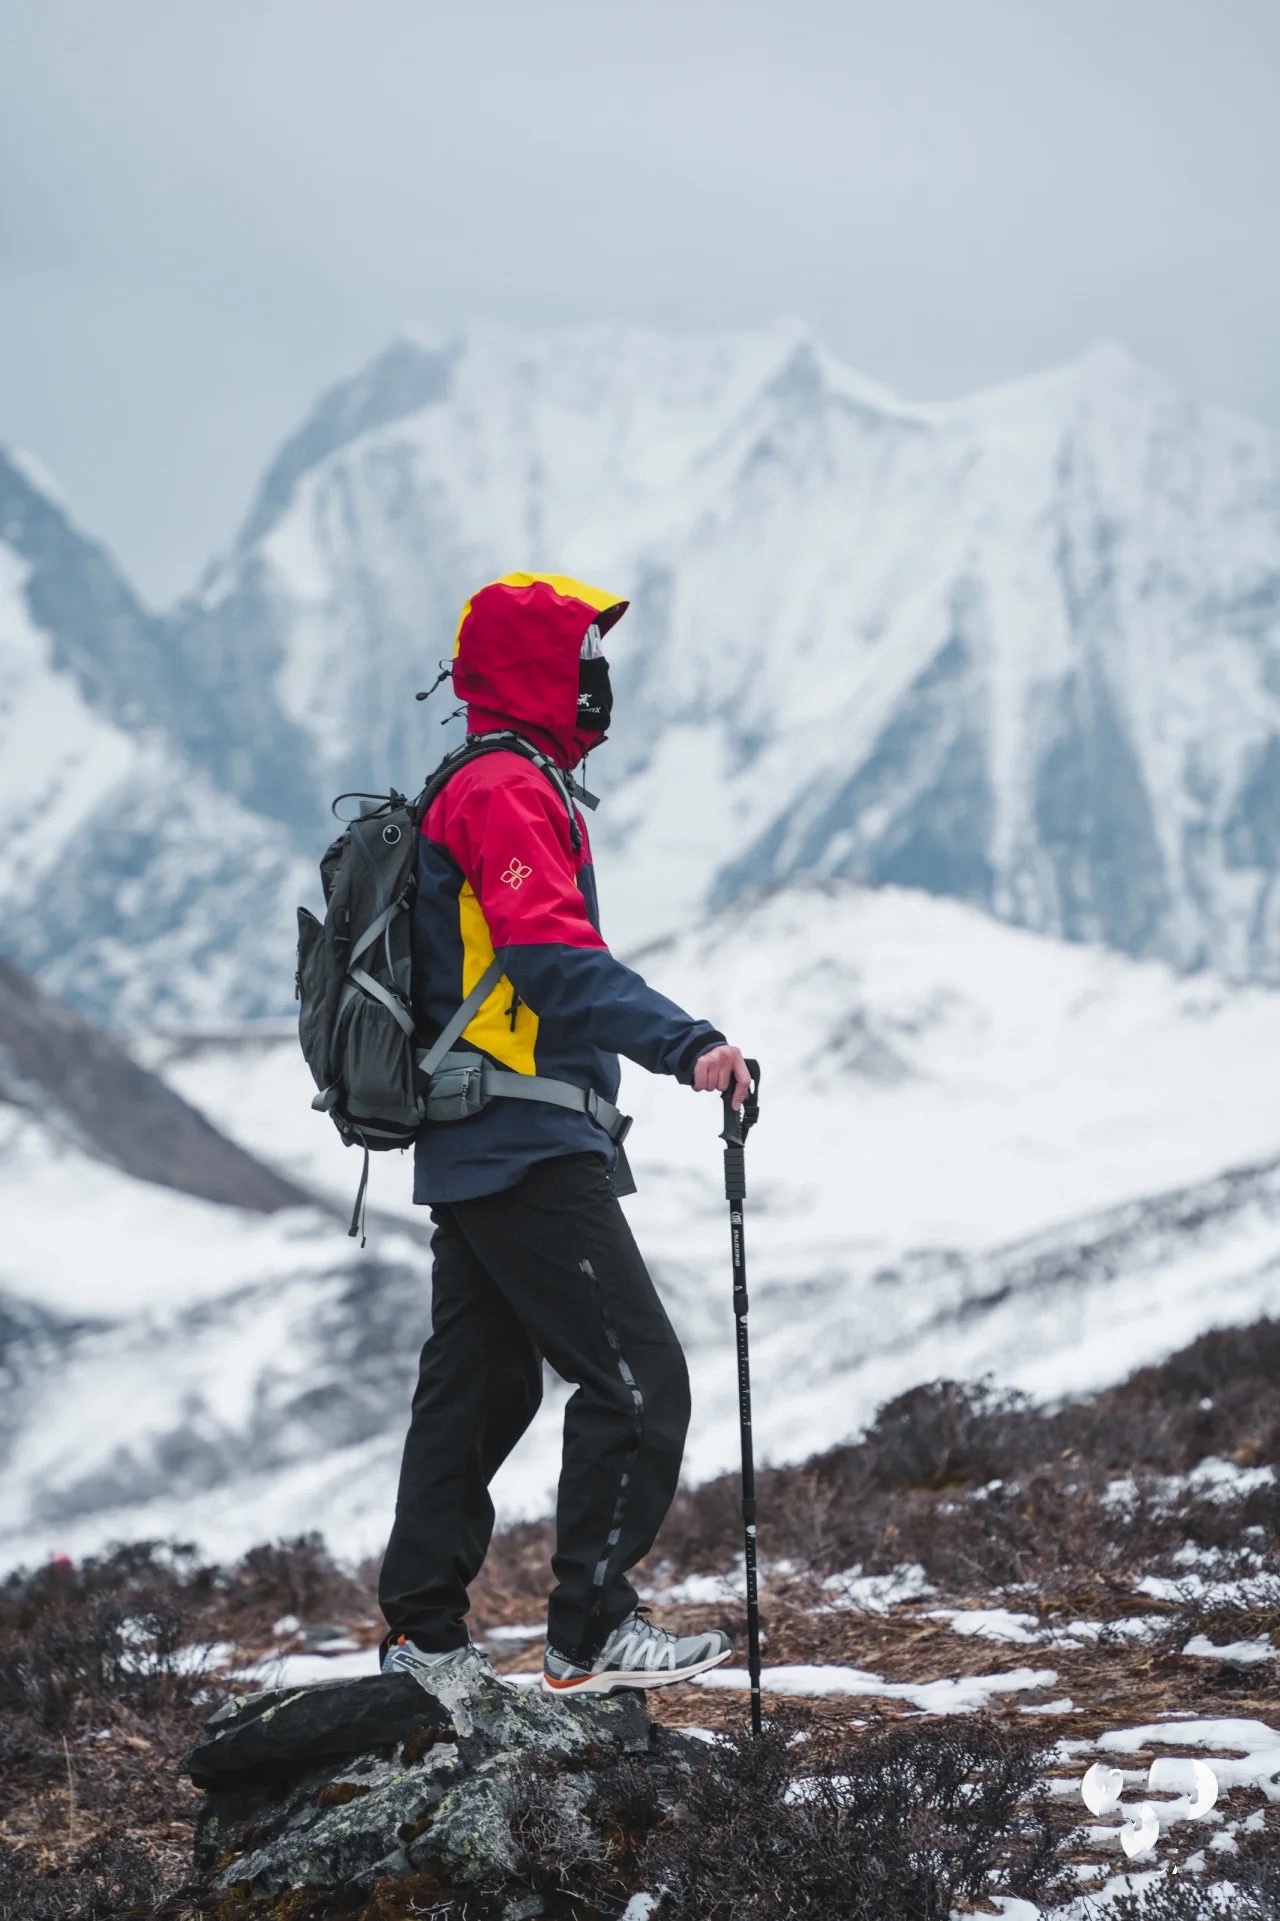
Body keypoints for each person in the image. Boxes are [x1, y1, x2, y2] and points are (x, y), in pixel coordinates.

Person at [378, 572, 751, 1695]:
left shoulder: (497, 781)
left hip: (484, 1141)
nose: (597, 682)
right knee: (639, 1381)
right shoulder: (500, 790)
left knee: (480, 1389)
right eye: (581, 659)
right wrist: (686, 1044)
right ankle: (589, 1629)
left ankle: (421, 1638)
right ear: (536, 674)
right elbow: (546, 960)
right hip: (522, 1142)